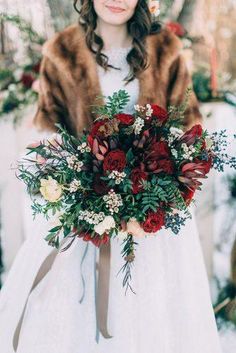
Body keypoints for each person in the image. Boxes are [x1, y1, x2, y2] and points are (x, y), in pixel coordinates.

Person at [0, 1, 222, 352]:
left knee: (155, 325)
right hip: (82, 219)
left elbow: (188, 133)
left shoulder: (167, 50)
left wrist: (159, 190)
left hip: (154, 226)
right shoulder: (60, 52)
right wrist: (82, 181)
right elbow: (46, 136)